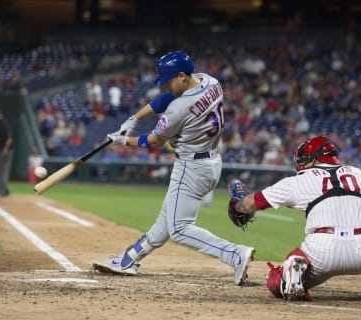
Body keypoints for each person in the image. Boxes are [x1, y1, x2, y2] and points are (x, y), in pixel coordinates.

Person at [93, 51, 255, 285]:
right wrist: (135, 118)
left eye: (168, 80)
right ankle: (129, 259)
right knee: (167, 219)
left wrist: (123, 141)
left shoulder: (179, 109)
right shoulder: (211, 81)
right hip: (210, 162)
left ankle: (234, 254)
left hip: (191, 167)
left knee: (179, 228)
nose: (166, 86)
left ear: (181, 76)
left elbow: (154, 142)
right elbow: (167, 98)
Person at [228, 136, 361, 300]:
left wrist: (237, 206)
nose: (301, 163)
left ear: (313, 159)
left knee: (275, 281)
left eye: (304, 159)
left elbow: (254, 203)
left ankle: (291, 272)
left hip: (322, 251)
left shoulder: (298, 180)